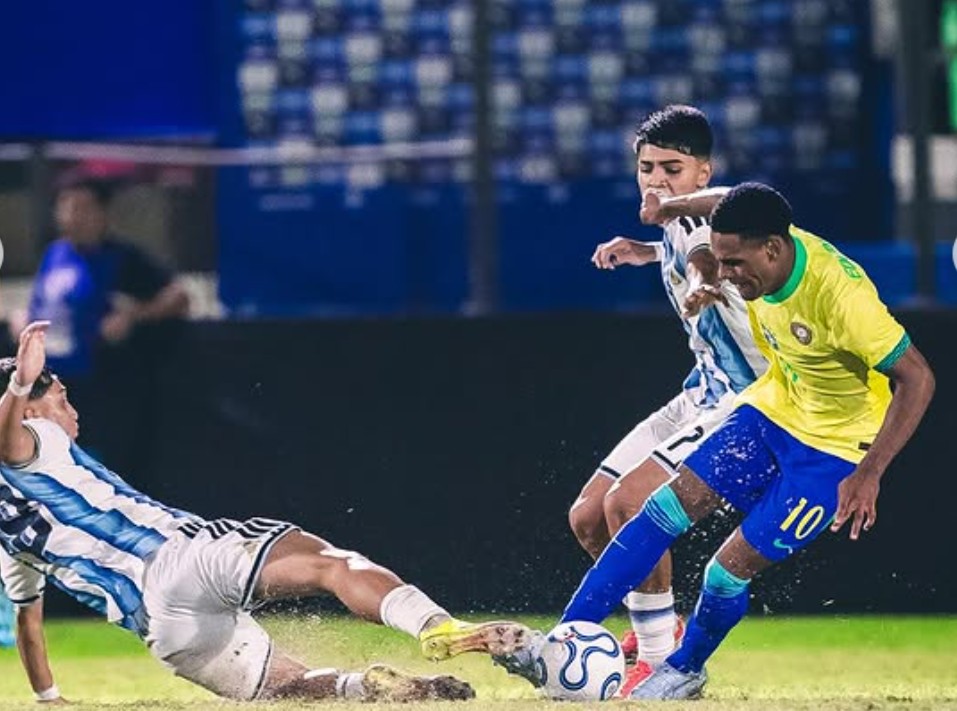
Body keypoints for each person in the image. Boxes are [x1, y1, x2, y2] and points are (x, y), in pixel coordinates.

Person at [501, 183, 935, 699]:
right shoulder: (762, 239)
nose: (725, 274)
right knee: (658, 512)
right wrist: (669, 209)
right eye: (720, 261)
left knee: (726, 573)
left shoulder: (841, 297)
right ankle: (560, 641)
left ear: (772, 248)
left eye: (733, 263)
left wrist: (870, 473)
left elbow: (918, 377)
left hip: (835, 451)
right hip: (773, 409)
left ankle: (684, 670)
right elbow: (721, 201)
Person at [0, 321, 529, 703]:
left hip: (164, 631)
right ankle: (435, 626)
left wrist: (50, 699)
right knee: (331, 565)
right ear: (27, 412)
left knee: (290, 689)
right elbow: (10, 445)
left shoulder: (9, 535)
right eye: (61, 397)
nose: (71, 410)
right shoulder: (33, 439)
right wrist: (22, 384)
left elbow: (28, 620)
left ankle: (368, 689)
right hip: (184, 559)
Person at [569, 105, 766, 691]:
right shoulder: (674, 226)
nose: (657, 180)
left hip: (744, 402)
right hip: (700, 390)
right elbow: (684, 246)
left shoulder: (715, 220)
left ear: (703, 172)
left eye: (673, 169)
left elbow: (706, 252)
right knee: (588, 517)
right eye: (647, 168)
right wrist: (647, 249)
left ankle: (662, 666)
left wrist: (703, 280)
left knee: (628, 505)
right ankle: (661, 627)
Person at [21, 176, 191, 473]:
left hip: (100, 387)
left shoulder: (122, 257)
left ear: (103, 213)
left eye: (83, 208)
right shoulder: (55, 254)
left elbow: (178, 297)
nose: (73, 216)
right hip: (52, 386)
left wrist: (135, 315)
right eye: (67, 207)